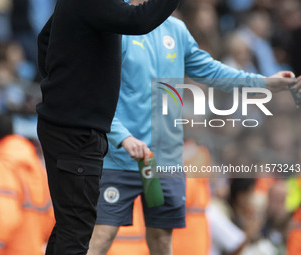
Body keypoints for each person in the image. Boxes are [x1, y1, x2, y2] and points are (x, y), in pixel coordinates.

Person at [87, 0, 301, 254]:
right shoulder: (114, 27)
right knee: (101, 236)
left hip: (165, 159)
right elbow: (92, 94)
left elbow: (212, 71)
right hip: (119, 158)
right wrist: (122, 137)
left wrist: (263, 83)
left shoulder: (176, 30)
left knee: (162, 240)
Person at [36, 0, 181, 254]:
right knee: (76, 230)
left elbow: (44, 38)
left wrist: (62, 88)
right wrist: (67, 94)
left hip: (70, 126)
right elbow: (138, 20)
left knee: (70, 226)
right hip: (76, 132)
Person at [0, 115, 54, 255]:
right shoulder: (33, 163)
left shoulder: (2, 163)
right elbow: (49, 215)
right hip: (33, 248)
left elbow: (3, 217)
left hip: (9, 249)